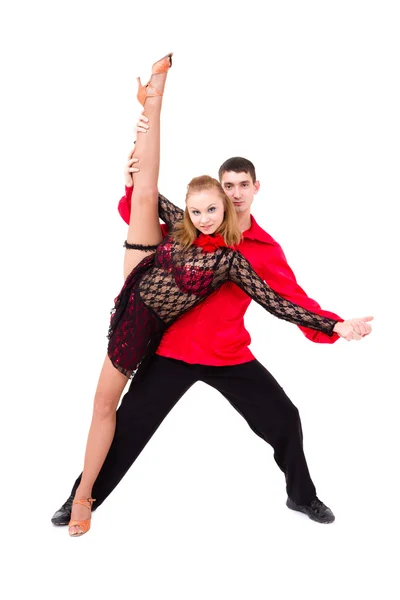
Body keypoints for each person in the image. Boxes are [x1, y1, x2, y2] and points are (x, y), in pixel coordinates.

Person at [54, 57, 372, 535]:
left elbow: (286, 299)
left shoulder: (261, 250)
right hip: (171, 351)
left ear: (256, 188)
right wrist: (133, 179)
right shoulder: (193, 228)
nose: (236, 193)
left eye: (244, 185)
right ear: (217, 195)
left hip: (227, 354)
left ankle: (302, 497)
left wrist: (335, 324)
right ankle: (80, 499)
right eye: (228, 187)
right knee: (128, 427)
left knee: (285, 418)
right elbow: (143, 207)